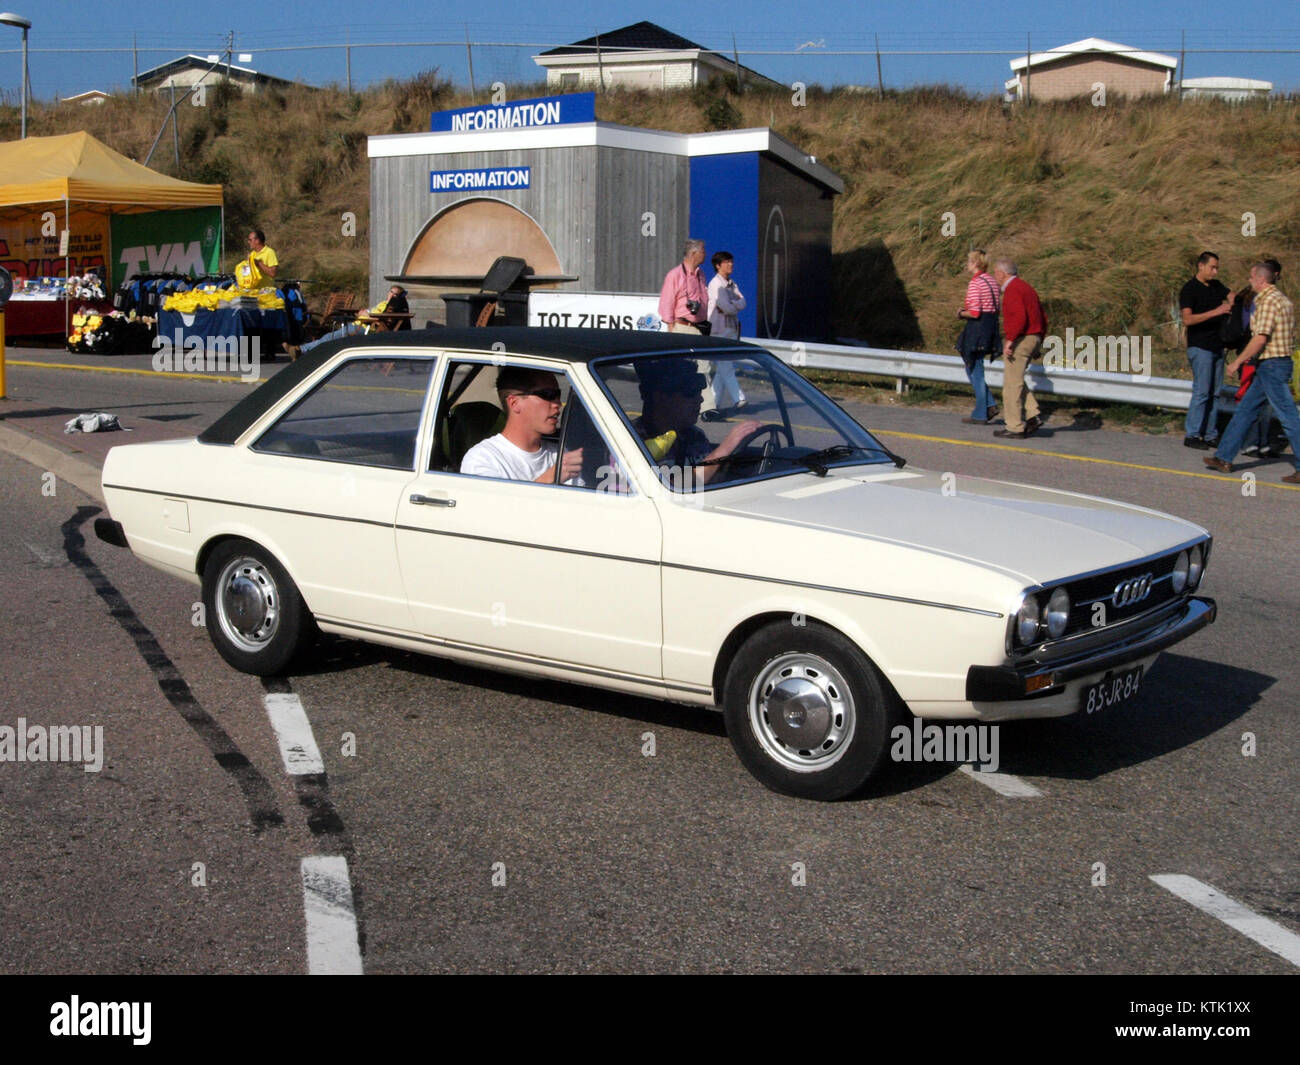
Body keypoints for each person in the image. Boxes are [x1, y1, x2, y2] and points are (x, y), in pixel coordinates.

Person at [1203, 261, 1300, 484]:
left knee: (1289, 417)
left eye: (1251, 277)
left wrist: (1237, 362)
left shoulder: (1266, 302)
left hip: (1272, 365)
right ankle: (1223, 458)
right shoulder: (1284, 300)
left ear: (1261, 280)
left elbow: (1260, 338)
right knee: (1246, 411)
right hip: (1276, 363)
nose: (1249, 281)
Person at [634, 359, 759, 487]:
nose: (700, 399)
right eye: (691, 393)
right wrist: (722, 451)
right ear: (660, 397)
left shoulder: (694, 436)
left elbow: (714, 482)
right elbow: (664, 490)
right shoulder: (632, 441)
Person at [460, 367, 583, 484]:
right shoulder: (483, 459)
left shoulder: (560, 455)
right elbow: (493, 506)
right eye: (548, 395)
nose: (557, 404)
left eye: (558, 395)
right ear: (514, 403)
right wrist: (551, 478)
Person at [1179, 251, 1234, 449]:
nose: (1215, 271)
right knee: (1202, 391)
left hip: (1218, 346)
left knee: (1215, 393)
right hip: (1200, 346)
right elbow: (1187, 319)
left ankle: (1210, 434)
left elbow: (1231, 296)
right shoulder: (1189, 289)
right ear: (1201, 266)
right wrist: (1216, 312)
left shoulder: (1216, 286)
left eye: (1217, 267)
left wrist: (1235, 301)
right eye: (1212, 267)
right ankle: (1193, 433)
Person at [658, 238, 716, 416]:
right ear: (693, 254)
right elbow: (666, 302)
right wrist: (670, 328)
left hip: (699, 328)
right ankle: (673, 403)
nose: (705, 254)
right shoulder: (675, 275)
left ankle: (707, 408)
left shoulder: (701, 275)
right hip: (681, 327)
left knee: (703, 368)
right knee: (679, 368)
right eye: (702, 251)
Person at [991, 258, 1046, 438]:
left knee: (1011, 385)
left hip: (1021, 339)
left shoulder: (1012, 290)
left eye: (995, 273)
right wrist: (1039, 340)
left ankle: (1014, 426)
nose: (994, 277)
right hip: (1034, 336)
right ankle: (1033, 413)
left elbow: (1018, 318)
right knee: (1017, 379)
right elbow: (1042, 316)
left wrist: (1010, 340)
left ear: (1002, 273)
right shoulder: (1026, 287)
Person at [285, 286, 409, 359]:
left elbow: (378, 319)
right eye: (391, 291)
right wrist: (363, 313)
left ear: (398, 296)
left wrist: (365, 315)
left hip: (365, 329)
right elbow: (369, 312)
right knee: (330, 336)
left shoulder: (391, 306)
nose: (392, 294)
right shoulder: (382, 303)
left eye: (395, 293)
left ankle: (301, 350)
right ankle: (302, 350)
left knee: (330, 336)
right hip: (358, 325)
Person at [955, 249, 1001, 425]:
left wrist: (960, 313)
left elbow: (974, 313)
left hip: (977, 329)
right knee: (976, 367)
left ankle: (982, 411)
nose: (967, 265)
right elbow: (997, 307)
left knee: (974, 369)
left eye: (969, 262)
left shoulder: (975, 283)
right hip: (990, 327)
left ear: (975, 263)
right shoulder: (992, 281)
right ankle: (988, 404)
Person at [706, 250, 748, 415]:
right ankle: (739, 398)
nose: (730, 265)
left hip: (731, 328)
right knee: (725, 365)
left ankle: (713, 404)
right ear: (718, 266)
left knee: (723, 368)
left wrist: (734, 304)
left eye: (731, 261)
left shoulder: (732, 284)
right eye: (726, 262)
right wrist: (734, 304)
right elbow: (726, 306)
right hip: (718, 329)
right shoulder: (715, 284)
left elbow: (743, 302)